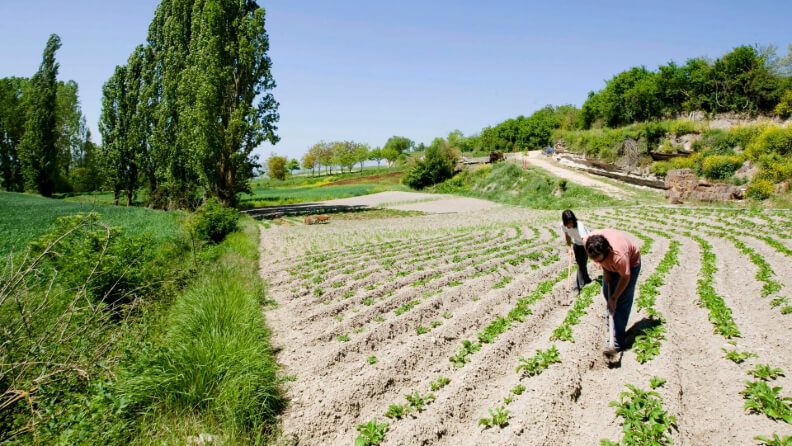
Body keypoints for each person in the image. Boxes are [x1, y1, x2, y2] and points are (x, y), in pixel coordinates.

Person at [584, 229, 641, 353]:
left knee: (621, 301)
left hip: (630, 265)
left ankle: (617, 341)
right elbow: (599, 259)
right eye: (594, 259)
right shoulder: (588, 243)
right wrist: (606, 270)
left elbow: (625, 277)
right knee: (606, 293)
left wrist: (614, 298)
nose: (596, 262)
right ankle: (612, 329)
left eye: (598, 259)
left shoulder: (619, 257)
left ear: (606, 251)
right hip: (611, 264)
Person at [560, 210, 592, 292]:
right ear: (564, 222)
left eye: (571, 222)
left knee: (581, 264)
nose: (570, 224)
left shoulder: (579, 225)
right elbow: (567, 236)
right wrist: (569, 247)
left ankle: (578, 285)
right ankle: (587, 280)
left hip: (586, 243)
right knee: (580, 263)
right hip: (576, 243)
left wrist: (590, 252)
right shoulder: (563, 225)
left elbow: (584, 239)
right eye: (568, 223)